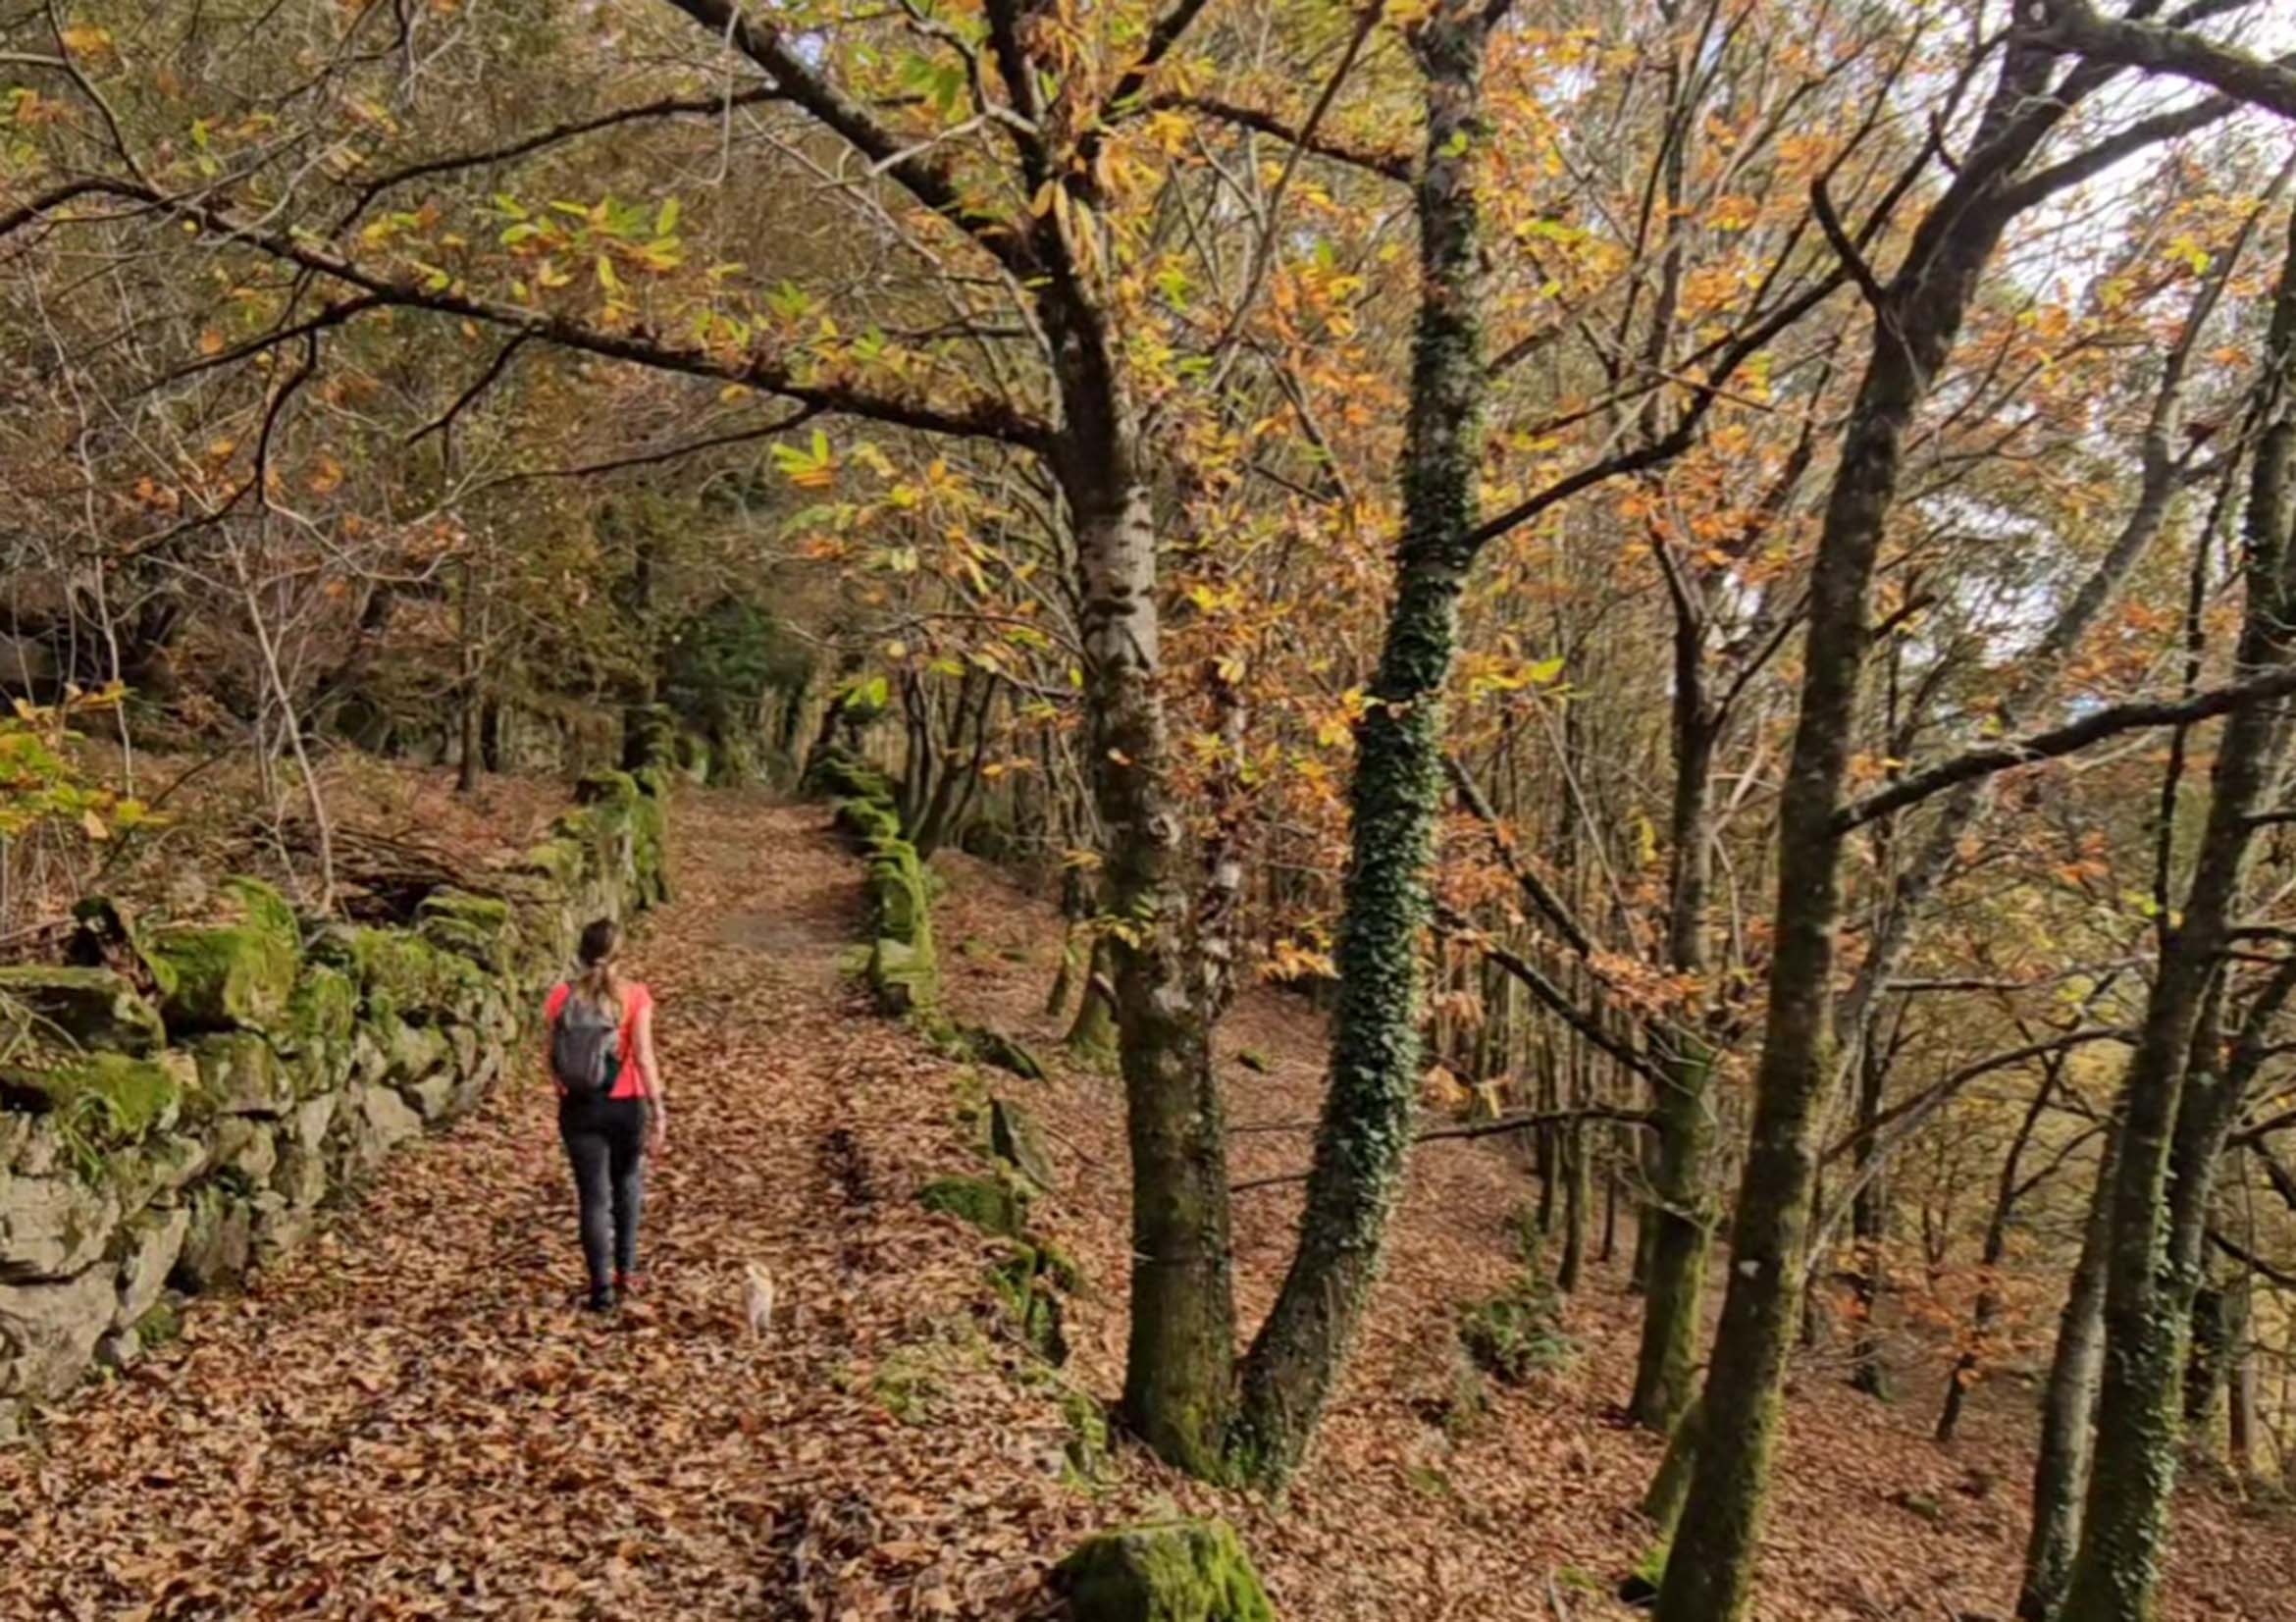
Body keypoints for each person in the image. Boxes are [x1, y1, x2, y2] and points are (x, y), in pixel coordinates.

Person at [544, 918, 666, 1311]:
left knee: (592, 1196)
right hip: (625, 1102)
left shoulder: (560, 997)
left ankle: (601, 1291)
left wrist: (564, 1088)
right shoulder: (634, 997)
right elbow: (644, 1057)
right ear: (620, 955)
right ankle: (626, 1269)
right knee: (627, 1182)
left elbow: (551, 1056)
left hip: (579, 1106)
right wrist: (659, 1109)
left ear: (581, 953)